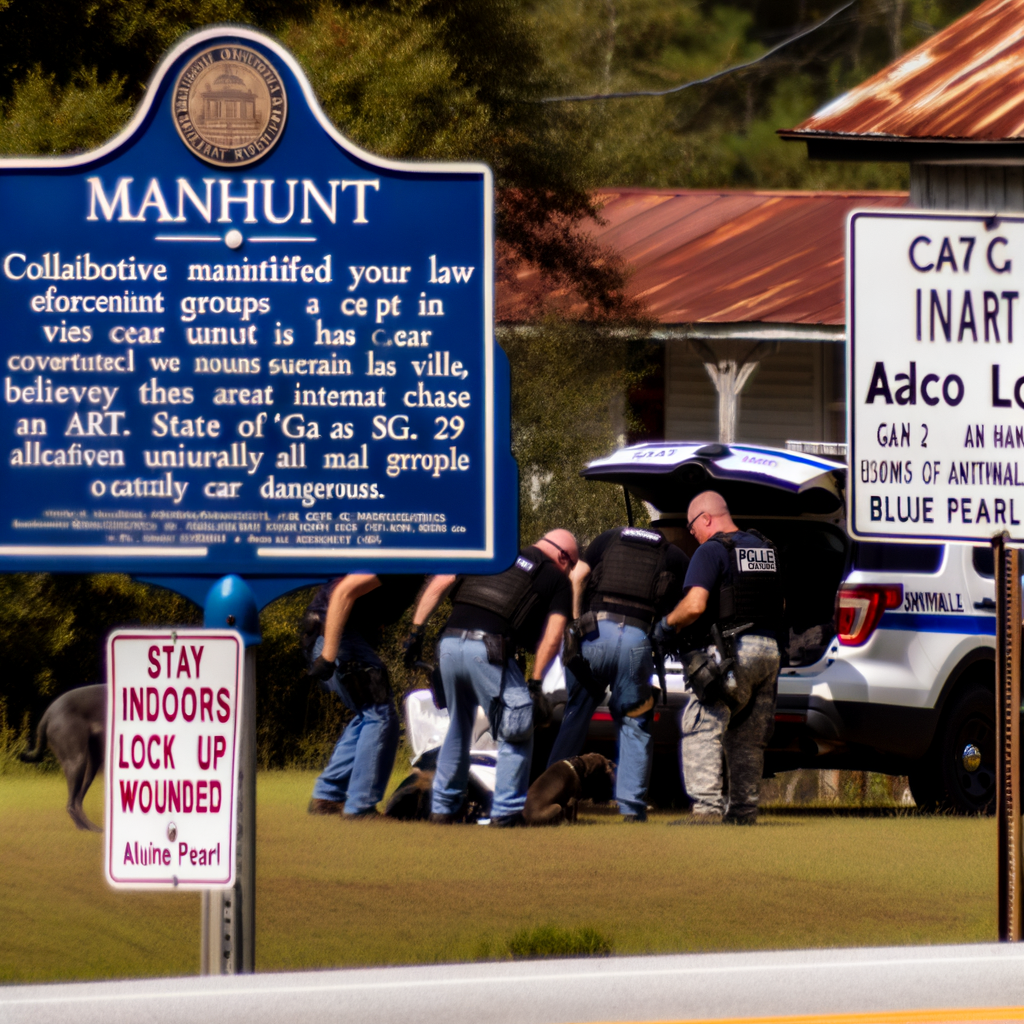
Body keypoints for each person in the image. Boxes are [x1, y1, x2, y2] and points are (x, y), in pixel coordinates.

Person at [412, 530, 578, 826]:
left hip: (448, 646)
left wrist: (416, 631)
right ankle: (506, 813)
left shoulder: (494, 552)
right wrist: (536, 683)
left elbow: (441, 581)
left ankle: (442, 809)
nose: (570, 571)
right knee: (518, 727)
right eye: (572, 565)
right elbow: (553, 637)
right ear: (563, 557)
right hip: (488, 650)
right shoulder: (555, 578)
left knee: (459, 726)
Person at [656, 490, 782, 824]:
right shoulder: (765, 548)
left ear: (706, 518)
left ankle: (706, 810)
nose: (691, 533)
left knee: (701, 721)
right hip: (769, 653)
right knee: (748, 737)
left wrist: (667, 625)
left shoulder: (712, 550)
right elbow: (779, 605)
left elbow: (696, 605)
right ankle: (743, 812)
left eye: (691, 525)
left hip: (733, 651)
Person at [547, 525, 688, 822]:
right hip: (637, 639)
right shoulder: (674, 555)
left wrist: (575, 623)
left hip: (595, 633)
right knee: (635, 725)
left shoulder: (608, 538)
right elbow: (686, 604)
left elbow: (577, 576)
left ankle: (551, 795)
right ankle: (631, 808)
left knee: (575, 715)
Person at [304, 572, 426, 818]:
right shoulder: (398, 554)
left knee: (369, 714)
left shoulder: (413, 559)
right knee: (380, 715)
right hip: (335, 635)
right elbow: (343, 591)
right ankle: (360, 806)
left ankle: (327, 796)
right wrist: (328, 655)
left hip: (329, 633)